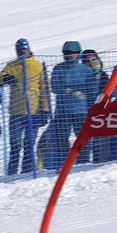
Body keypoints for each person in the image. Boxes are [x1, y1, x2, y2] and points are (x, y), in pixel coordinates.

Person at [0, 38, 50, 174]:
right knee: (15, 144)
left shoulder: (37, 66)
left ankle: (27, 170)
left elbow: (45, 88)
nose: (21, 53)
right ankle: (12, 171)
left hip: (34, 111)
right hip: (16, 112)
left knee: (29, 143)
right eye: (19, 51)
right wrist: (4, 78)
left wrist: (45, 109)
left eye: (24, 50)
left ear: (29, 50)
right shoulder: (11, 66)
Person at [49, 40, 94, 170]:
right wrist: (70, 91)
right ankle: (64, 164)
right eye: (67, 53)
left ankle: (83, 162)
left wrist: (96, 74)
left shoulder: (86, 70)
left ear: (78, 53)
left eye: (73, 53)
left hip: (81, 110)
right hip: (63, 111)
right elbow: (55, 86)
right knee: (61, 138)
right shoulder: (59, 68)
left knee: (82, 138)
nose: (70, 55)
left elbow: (92, 88)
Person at [79, 49, 110, 163]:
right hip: (85, 108)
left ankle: (101, 159)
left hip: (101, 108)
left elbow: (108, 89)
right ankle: (83, 160)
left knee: (101, 136)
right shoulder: (82, 75)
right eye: (88, 60)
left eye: (93, 59)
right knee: (85, 135)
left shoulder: (103, 75)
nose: (91, 62)